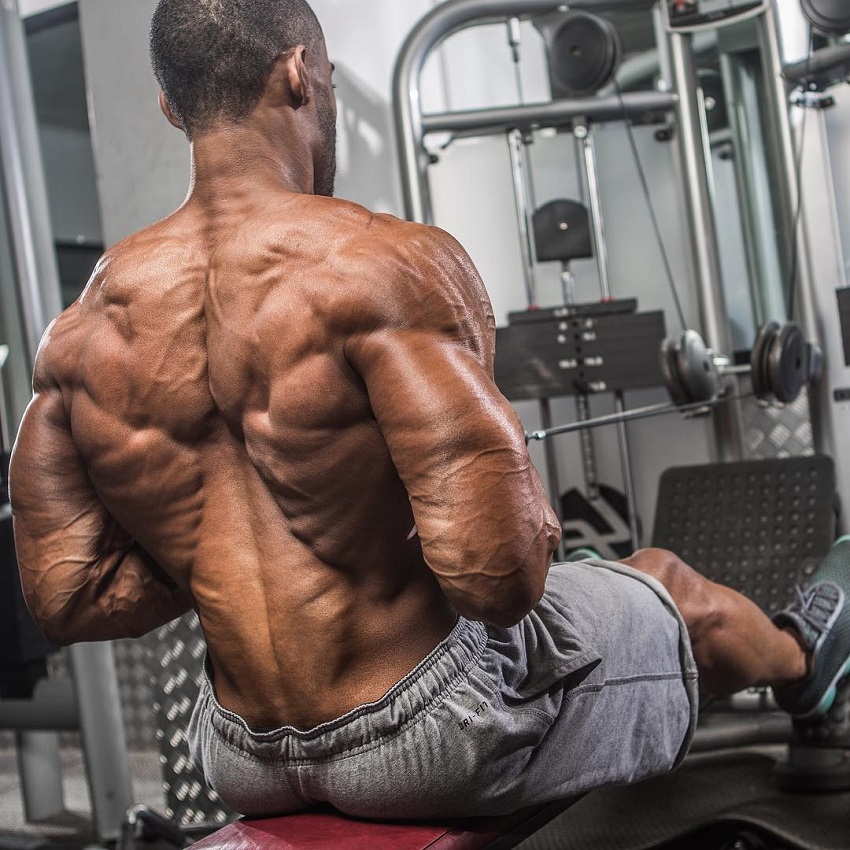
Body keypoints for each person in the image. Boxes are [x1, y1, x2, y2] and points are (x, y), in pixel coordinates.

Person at [9, 0, 850, 821]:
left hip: (241, 751)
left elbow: (68, 597)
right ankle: (805, 666)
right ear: (299, 74)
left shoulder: (81, 333)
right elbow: (499, 580)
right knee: (664, 583)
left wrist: (224, 552)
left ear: (170, 104)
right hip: (432, 732)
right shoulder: (379, 265)